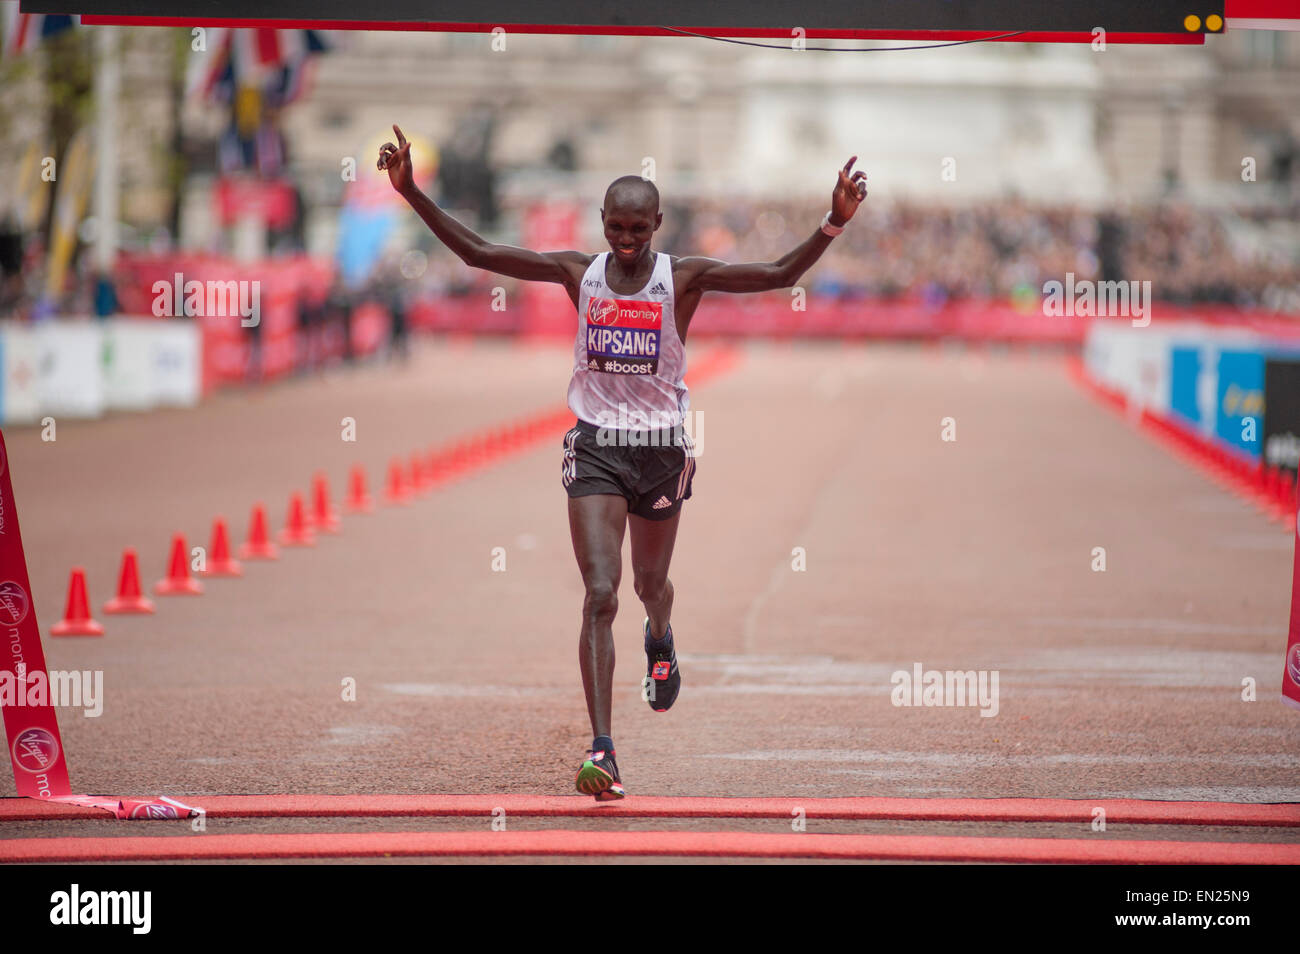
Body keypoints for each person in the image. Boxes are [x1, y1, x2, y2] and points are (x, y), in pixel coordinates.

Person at [378, 124, 867, 799]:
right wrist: (411, 192)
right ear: (601, 222)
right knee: (601, 593)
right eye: (615, 225)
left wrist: (831, 224)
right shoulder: (578, 272)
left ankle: (661, 638)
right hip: (597, 445)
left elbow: (780, 274)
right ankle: (603, 749)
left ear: (658, 223)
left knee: (648, 588)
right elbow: (478, 251)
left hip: (661, 448)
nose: (626, 238)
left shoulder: (683, 279)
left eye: (639, 226)